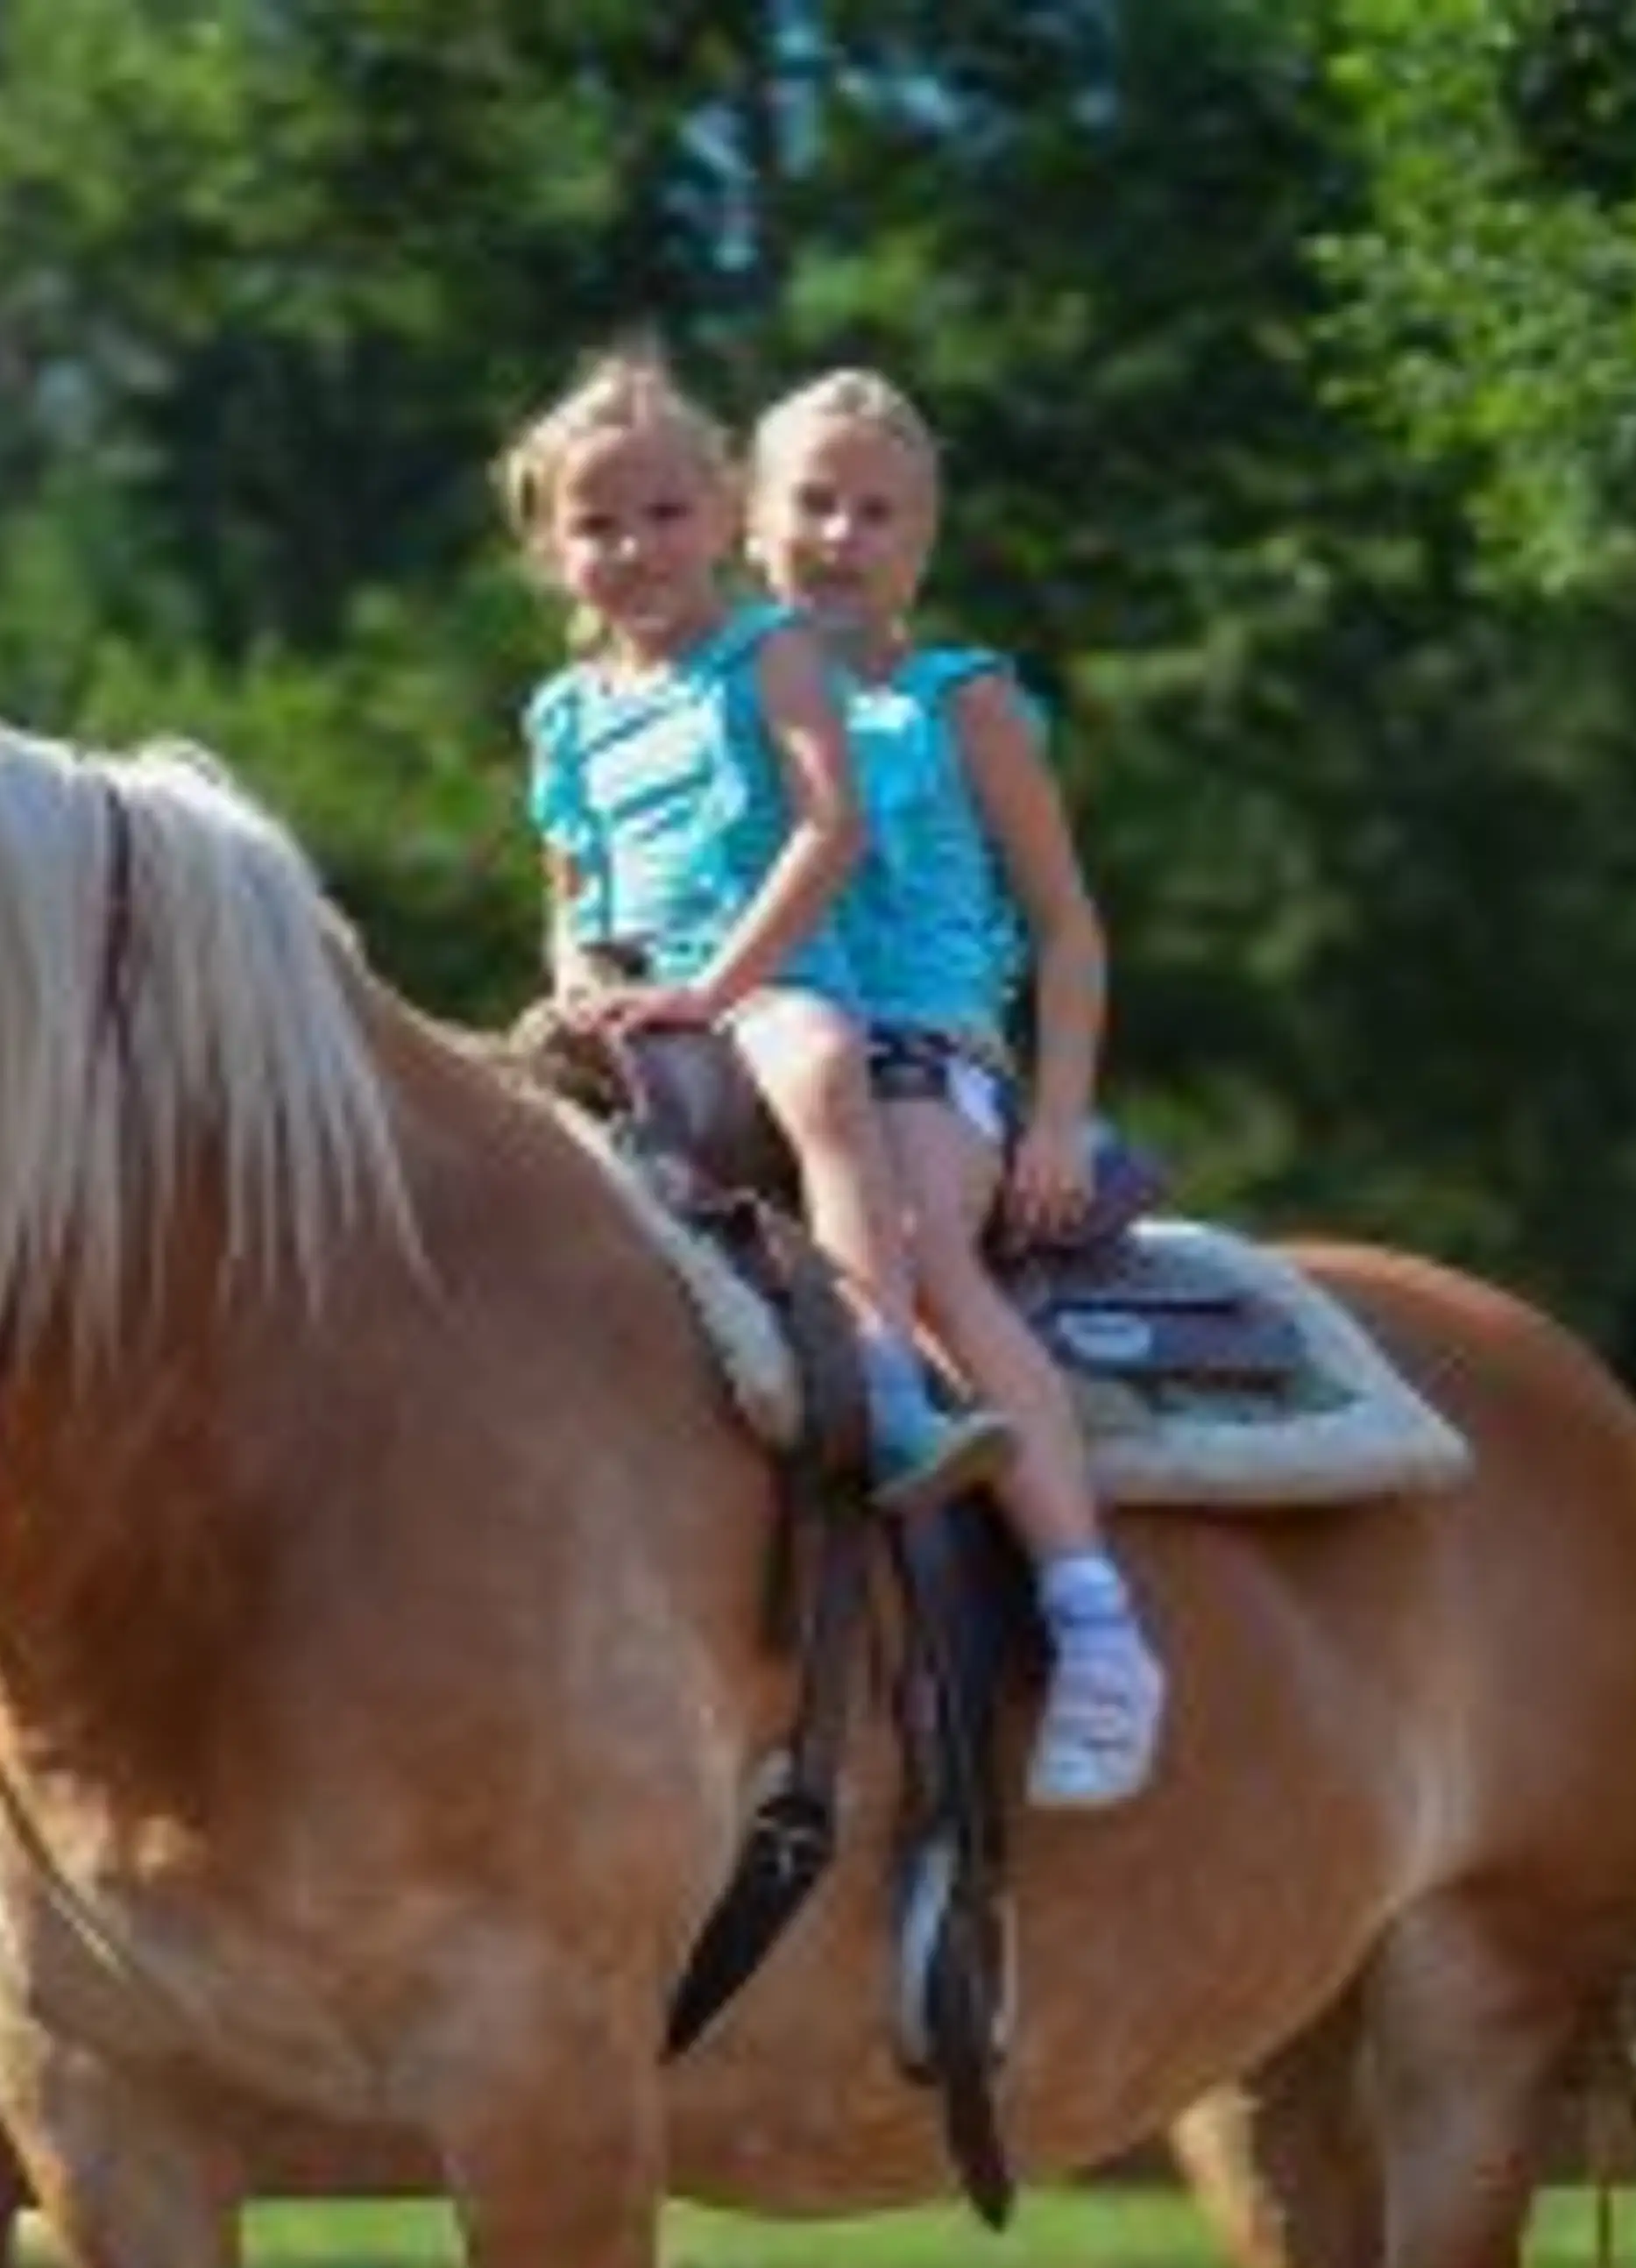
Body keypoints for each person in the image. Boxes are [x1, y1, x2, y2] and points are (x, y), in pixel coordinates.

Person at [746, 367, 1168, 1813]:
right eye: (814, 502)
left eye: (881, 511)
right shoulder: (712, 694)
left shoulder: (959, 702)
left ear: (924, 543)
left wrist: (1055, 1111)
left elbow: (1067, 926)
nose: (842, 535)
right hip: (769, 1032)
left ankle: (1093, 1616)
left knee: (916, 1256)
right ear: (753, 522)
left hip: (926, 1045)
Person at [499, 346, 1012, 1514]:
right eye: (596, 525)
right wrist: (577, 977)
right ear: (552, 553)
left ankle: (888, 1384)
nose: (634, 548)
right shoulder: (563, 711)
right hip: (627, 993)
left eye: (666, 512)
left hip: (762, 975)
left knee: (826, 1067)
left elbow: (829, 829)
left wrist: (717, 990)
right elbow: (569, 885)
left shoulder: (764, 656)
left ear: (727, 513)